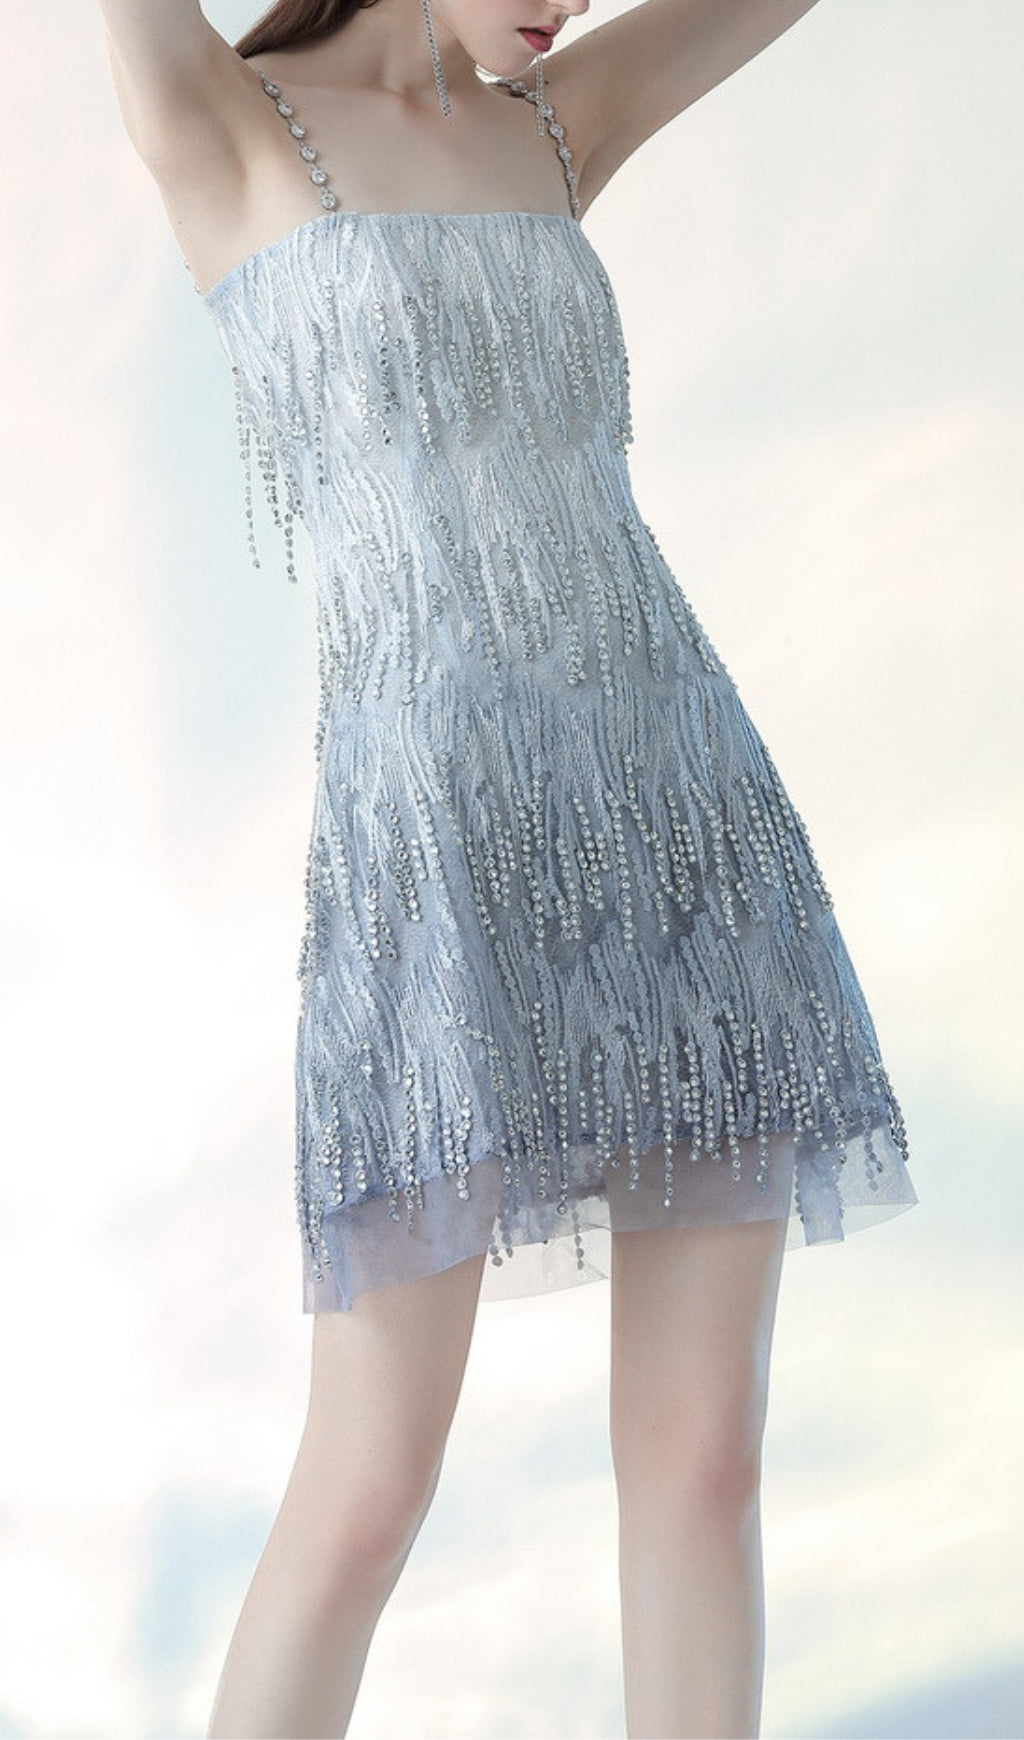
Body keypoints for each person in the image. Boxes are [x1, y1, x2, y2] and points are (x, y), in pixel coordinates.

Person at [99, 1, 919, 1734]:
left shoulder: (555, 117)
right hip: (439, 870)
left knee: (705, 1457)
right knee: (368, 1487)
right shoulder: (221, 119)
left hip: (683, 827)